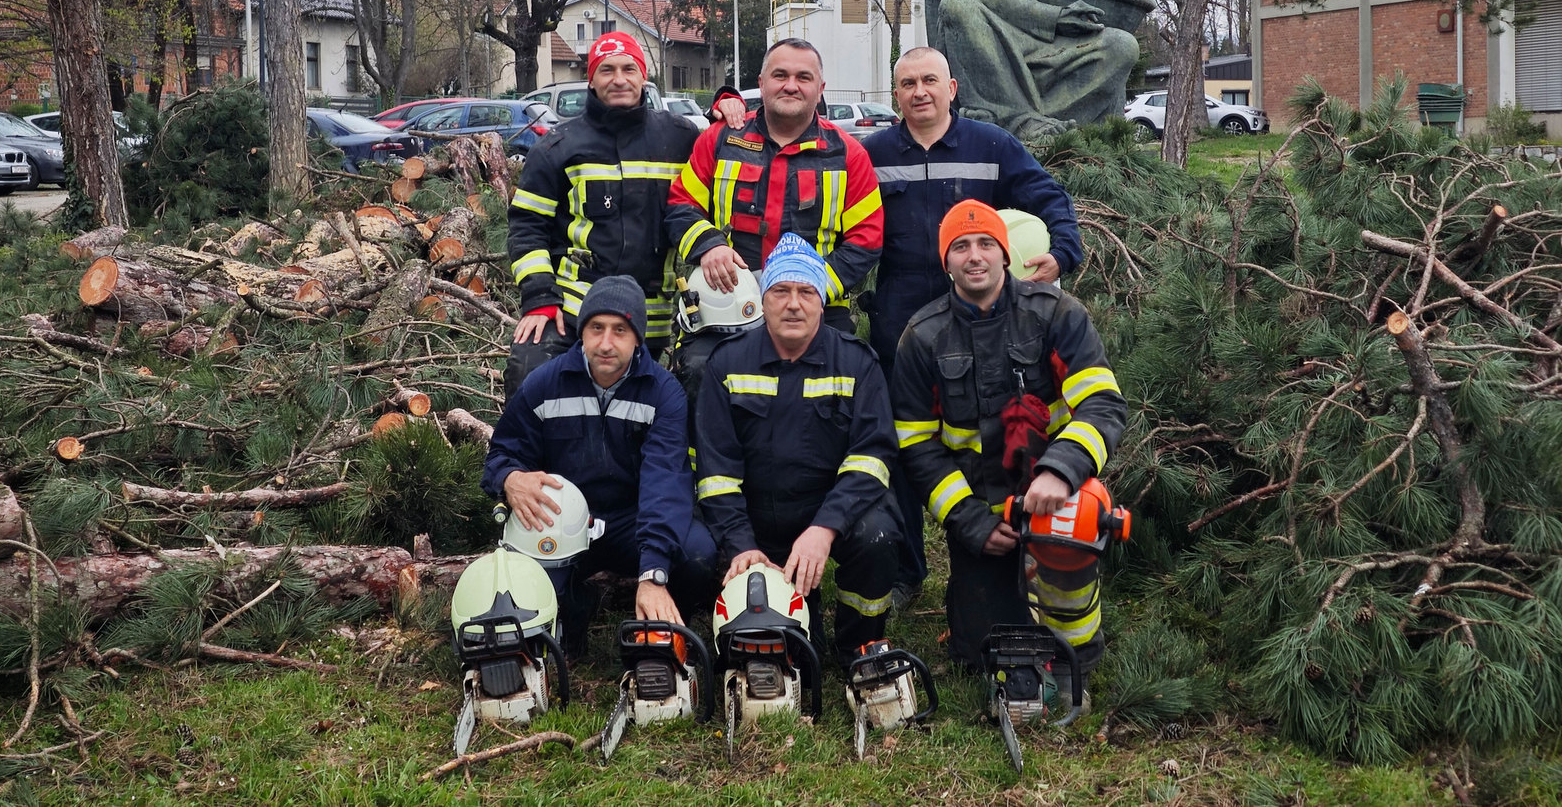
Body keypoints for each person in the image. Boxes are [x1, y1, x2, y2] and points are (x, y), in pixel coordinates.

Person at [862, 45, 1084, 605]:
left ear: (952, 87)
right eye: (908, 83)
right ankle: (907, 572)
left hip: (988, 326)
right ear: (895, 95)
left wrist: (1063, 251)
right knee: (906, 447)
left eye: (929, 80)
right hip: (904, 327)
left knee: (998, 437)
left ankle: (1015, 545)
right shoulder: (875, 153)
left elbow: (1046, 195)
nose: (919, 92)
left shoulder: (992, 145)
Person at [891, 200, 1125, 678]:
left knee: (1076, 527)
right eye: (960, 246)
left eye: (985, 244)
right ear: (946, 261)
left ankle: (1074, 657)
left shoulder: (1057, 314)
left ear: (1004, 254)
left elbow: (1103, 404)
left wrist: (1061, 471)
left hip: (1056, 500)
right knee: (982, 655)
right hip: (981, 510)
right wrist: (969, 521)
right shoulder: (923, 336)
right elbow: (915, 446)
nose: (974, 256)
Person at [482, 276, 719, 658]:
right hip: (565, 522)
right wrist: (509, 479)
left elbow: (666, 482)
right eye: (596, 328)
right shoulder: (546, 382)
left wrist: (654, 572)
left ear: (638, 338)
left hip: (635, 519)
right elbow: (502, 452)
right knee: (533, 593)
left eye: (620, 331)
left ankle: (664, 624)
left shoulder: (663, 392)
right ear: (582, 332)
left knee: (696, 555)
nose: (606, 343)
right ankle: (574, 606)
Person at [693, 234, 899, 668]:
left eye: (806, 292)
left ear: (822, 303)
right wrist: (741, 544)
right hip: (753, 521)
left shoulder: (857, 362)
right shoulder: (727, 364)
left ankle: (857, 648)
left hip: (831, 516)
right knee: (695, 548)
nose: (793, 304)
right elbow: (715, 471)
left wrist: (826, 527)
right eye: (780, 291)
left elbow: (873, 457)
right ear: (762, 301)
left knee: (878, 534)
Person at [504, 31, 746, 393]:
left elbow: (742, 145)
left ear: (643, 75)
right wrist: (539, 298)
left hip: (653, 316)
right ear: (591, 79)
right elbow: (527, 228)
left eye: (628, 68)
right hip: (574, 310)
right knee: (529, 372)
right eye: (607, 70)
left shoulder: (679, 137)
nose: (619, 79)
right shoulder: (557, 146)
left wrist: (725, 104)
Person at [667, 38, 883, 391]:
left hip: (819, 307)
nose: (791, 85)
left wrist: (810, 288)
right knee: (699, 375)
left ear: (821, 88)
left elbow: (867, 238)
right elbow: (681, 204)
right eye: (780, 75)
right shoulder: (721, 139)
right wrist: (709, 246)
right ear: (762, 81)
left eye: (803, 77)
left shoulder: (849, 155)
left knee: (836, 387)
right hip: (728, 303)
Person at [926, 0, 1144, 140]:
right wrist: (1056, 18)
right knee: (957, 5)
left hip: (1054, 45)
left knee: (1123, 46)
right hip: (995, 43)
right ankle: (1018, 120)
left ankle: (1063, 128)